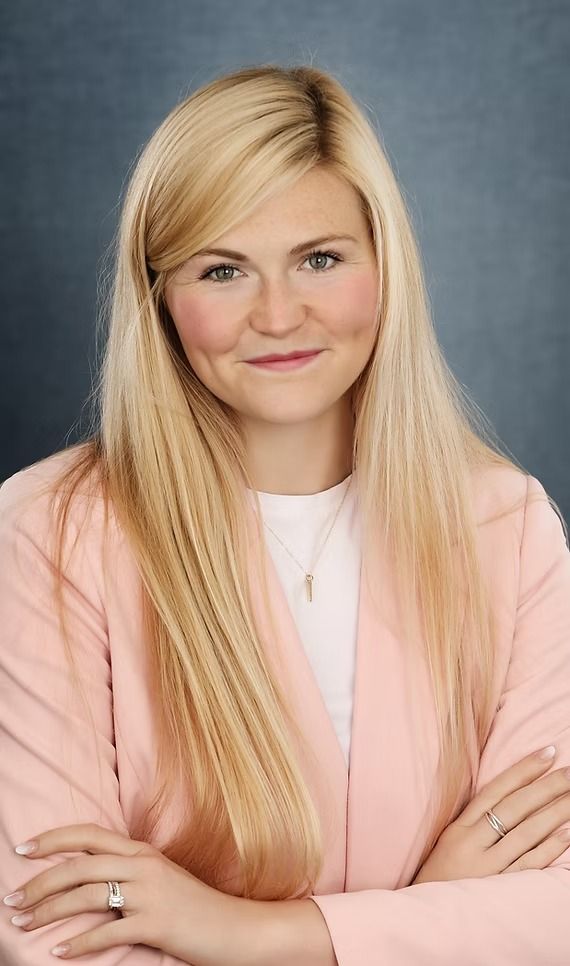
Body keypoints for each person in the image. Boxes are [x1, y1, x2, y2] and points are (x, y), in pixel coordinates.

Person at [1, 62, 569, 966]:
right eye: (222, 269)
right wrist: (434, 917)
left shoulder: (508, 527)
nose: (277, 314)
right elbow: (58, 935)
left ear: (386, 267)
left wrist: (248, 934)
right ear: (160, 297)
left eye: (320, 258)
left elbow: (558, 913)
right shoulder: (51, 533)